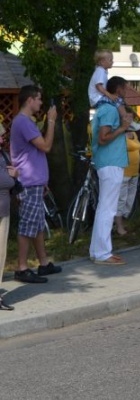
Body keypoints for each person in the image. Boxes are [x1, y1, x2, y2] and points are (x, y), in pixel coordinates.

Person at [10, 85, 62, 283]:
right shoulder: (23, 122)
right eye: (39, 99)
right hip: (29, 183)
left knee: (37, 224)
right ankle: (22, 268)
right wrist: (50, 121)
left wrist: (43, 181)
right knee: (27, 226)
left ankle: (43, 263)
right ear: (29, 100)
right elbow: (46, 146)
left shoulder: (25, 122)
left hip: (35, 182)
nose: (41, 103)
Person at [90, 76, 134, 265]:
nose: (127, 91)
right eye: (125, 88)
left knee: (104, 208)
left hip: (109, 162)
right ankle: (102, 253)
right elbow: (103, 138)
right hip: (110, 163)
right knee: (107, 209)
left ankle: (97, 250)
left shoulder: (107, 108)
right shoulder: (109, 110)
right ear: (118, 89)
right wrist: (123, 128)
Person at [114, 111, 140, 236]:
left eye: (131, 117)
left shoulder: (134, 133)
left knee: (130, 200)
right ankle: (119, 226)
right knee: (122, 199)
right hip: (124, 171)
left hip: (134, 171)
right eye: (127, 117)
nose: (130, 119)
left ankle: (123, 222)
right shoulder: (120, 134)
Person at [0, 123, 19, 309]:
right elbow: (4, 180)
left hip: (3, 211)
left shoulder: (2, 155)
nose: (2, 138)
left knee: (1, 253)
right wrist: (12, 177)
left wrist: (14, 175)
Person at [89, 49, 128, 122]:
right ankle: (126, 120)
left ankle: (123, 119)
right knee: (118, 100)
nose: (112, 62)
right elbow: (98, 86)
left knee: (118, 101)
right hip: (97, 98)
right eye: (110, 60)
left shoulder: (102, 71)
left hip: (98, 97)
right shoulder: (100, 71)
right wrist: (109, 95)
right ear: (102, 62)